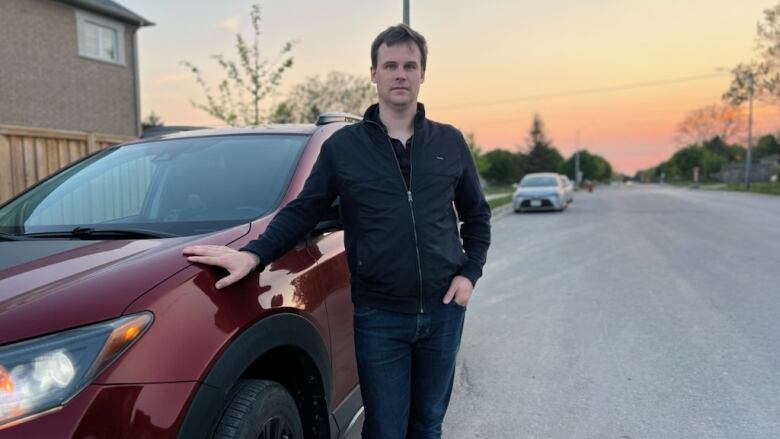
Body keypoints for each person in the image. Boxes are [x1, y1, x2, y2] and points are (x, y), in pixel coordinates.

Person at [183, 24, 491, 439]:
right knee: (384, 429)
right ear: (374, 74)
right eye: (391, 65)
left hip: (443, 311)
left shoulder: (450, 143)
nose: (401, 74)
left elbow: (477, 216)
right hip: (380, 317)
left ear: (422, 74)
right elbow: (304, 211)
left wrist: (469, 274)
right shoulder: (344, 148)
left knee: (428, 425)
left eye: (410, 66)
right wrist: (253, 253)